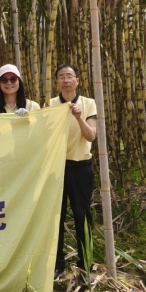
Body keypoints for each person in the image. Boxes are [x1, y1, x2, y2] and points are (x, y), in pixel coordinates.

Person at [49, 64, 97, 276]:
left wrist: (79, 117)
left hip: (80, 168)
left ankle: (86, 264)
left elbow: (91, 136)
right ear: (56, 82)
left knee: (82, 216)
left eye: (69, 76)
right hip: (57, 168)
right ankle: (57, 265)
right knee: (55, 218)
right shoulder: (51, 105)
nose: (66, 80)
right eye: (61, 76)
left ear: (77, 80)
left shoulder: (88, 103)